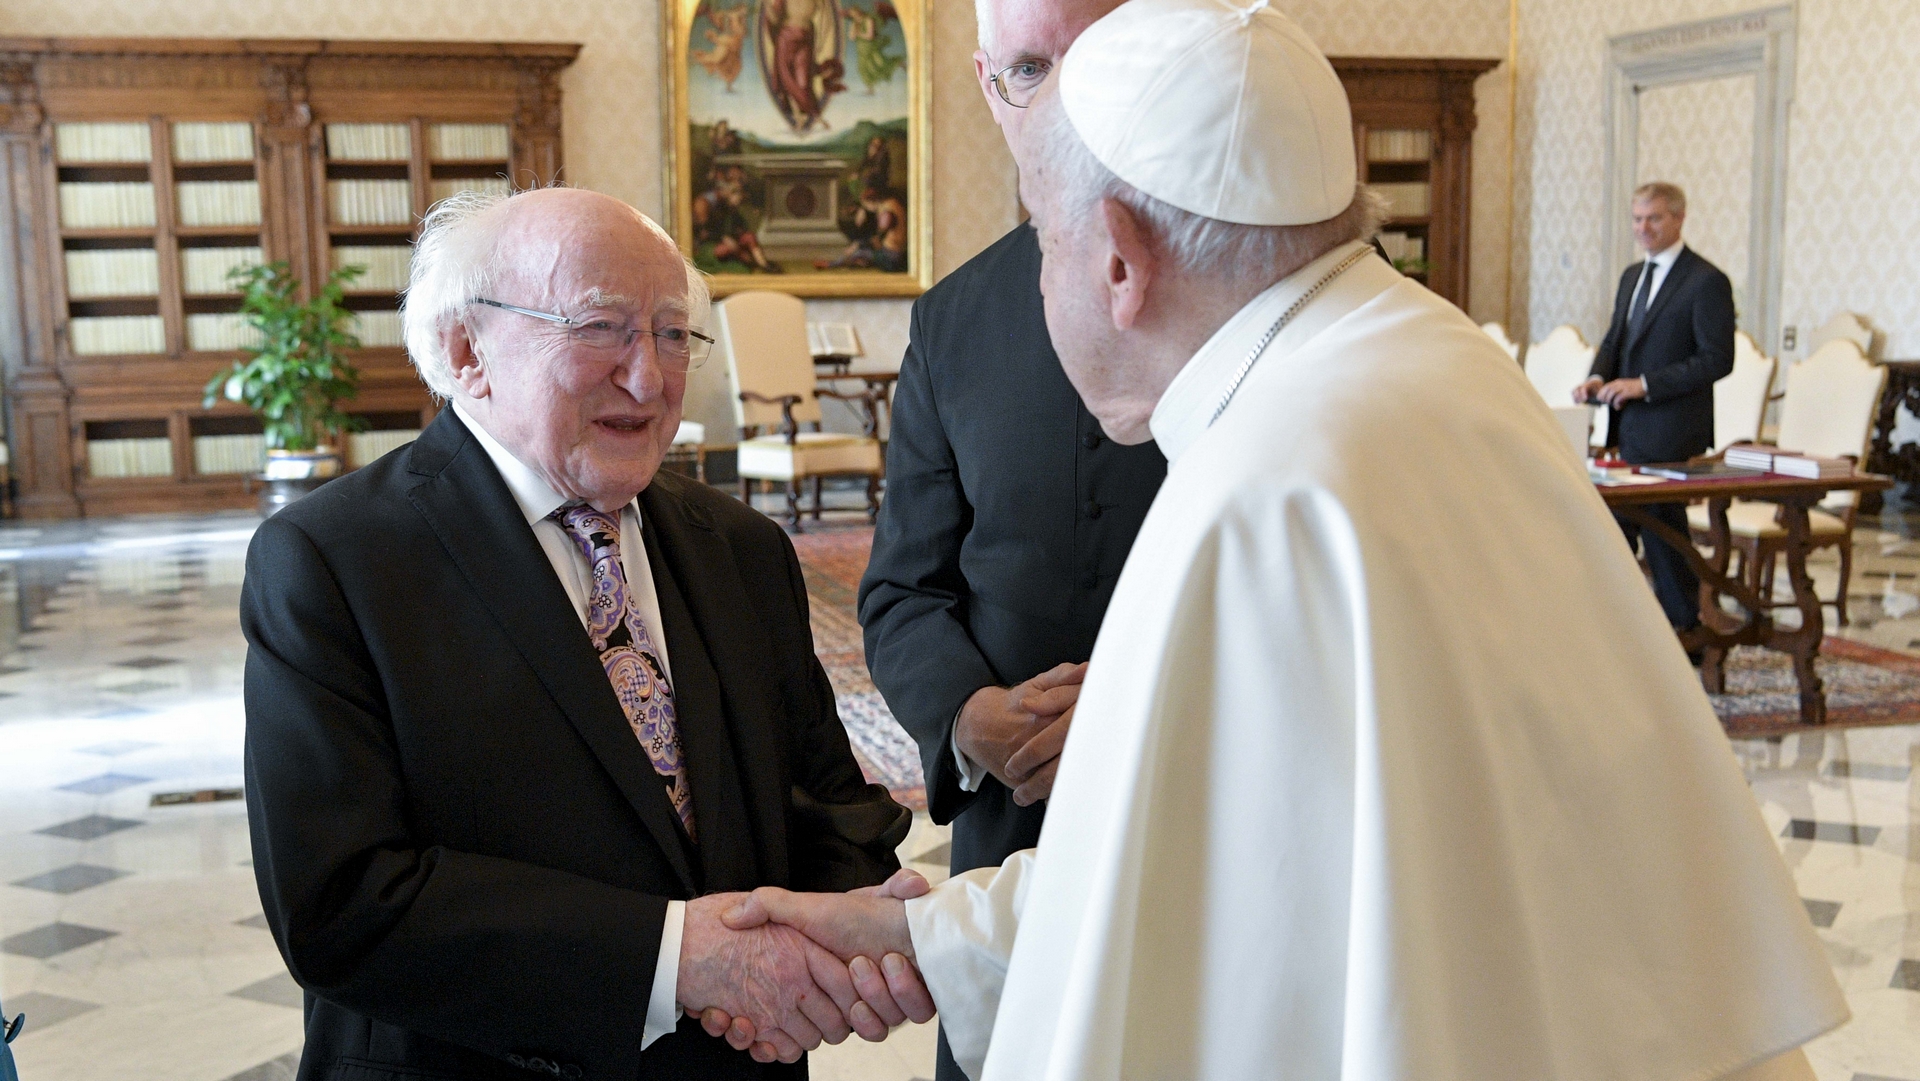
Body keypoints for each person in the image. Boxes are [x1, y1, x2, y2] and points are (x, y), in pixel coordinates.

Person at [711, 3, 1847, 1079]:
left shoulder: (1256, 491)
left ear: (1116, 258)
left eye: (1047, 240)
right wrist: (917, 937)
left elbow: (1194, 965)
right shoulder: (1440, 363)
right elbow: (1233, 872)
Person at [240, 187, 930, 1081]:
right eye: (601, 328)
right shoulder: (335, 562)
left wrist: (839, 938)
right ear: (466, 350)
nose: (649, 377)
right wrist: (680, 958)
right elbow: (341, 903)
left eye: (674, 333)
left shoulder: (745, 550)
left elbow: (829, 804)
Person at [854, 0, 1165, 1075]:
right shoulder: (953, 319)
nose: (1071, 94)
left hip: (1215, 815)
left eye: (1102, 54)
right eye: (1033, 67)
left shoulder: (1261, 293)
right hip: (1015, 825)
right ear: (991, 88)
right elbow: (902, 589)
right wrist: (965, 715)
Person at [1575, 181, 1736, 632]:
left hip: (1670, 427)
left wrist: (1644, 385)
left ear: (1678, 219)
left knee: (1662, 533)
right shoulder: (1632, 275)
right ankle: (1617, 630)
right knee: (1620, 529)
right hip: (1626, 429)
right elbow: (1615, 340)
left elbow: (1717, 360)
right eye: (1636, 219)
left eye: (1654, 219)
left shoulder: (1706, 281)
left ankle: (1686, 630)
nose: (1642, 228)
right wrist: (1597, 377)